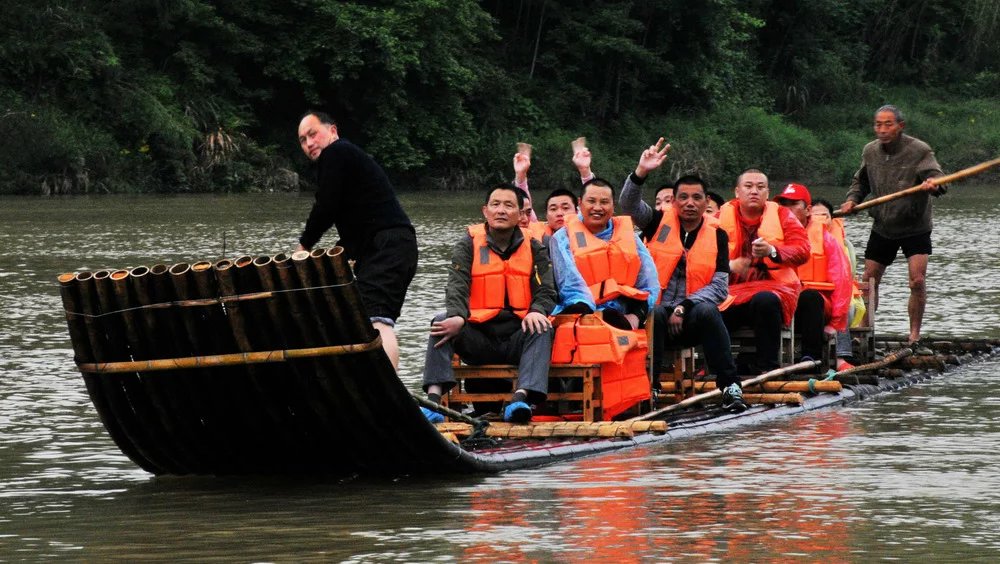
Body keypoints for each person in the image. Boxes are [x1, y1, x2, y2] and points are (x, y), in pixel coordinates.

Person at [618, 139, 747, 412]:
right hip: (655, 319)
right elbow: (628, 204)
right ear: (674, 202)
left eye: (697, 198)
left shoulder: (718, 235)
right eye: (683, 198)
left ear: (706, 202)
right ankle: (649, 389)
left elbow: (720, 286)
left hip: (692, 319)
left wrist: (684, 306)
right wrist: (641, 172)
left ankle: (730, 386)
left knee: (709, 311)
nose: (690, 203)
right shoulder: (655, 222)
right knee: (658, 313)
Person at [421, 184, 557, 424]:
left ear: (520, 214)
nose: (501, 210)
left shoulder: (535, 246)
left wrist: (537, 311)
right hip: (479, 336)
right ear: (485, 211)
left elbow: (546, 288)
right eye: (495, 205)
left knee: (543, 326)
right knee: (441, 321)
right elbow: (457, 284)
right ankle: (433, 401)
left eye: (509, 205)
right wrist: (457, 315)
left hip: (518, 335)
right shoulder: (468, 243)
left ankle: (520, 399)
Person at [295, 111, 418, 371]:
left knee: (377, 321)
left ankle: (390, 396)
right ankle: (376, 390)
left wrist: (304, 245)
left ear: (332, 130)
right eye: (303, 140)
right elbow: (355, 217)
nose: (309, 143)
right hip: (386, 246)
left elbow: (326, 206)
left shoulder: (337, 152)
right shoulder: (346, 160)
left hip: (389, 246)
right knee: (364, 318)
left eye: (313, 133)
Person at [839, 104, 944, 349]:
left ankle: (914, 336)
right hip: (883, 225)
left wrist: (933, 184)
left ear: (900, 126)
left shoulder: (919, 150)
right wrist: (852, 200)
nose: (882, 129)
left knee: (917, 281)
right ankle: (862, 333)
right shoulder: (870, 151)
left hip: (915, 226)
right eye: (878, 124)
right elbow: (860, 182)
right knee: (868, 281)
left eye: (888, 124)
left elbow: (938, 178)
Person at [718, 169, 810, 373]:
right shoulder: (718, 217)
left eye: (760, 187)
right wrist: (728, 265)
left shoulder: (783, 215)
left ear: (767, 193)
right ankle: (719, 370)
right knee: (707, 308)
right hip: (730, 292)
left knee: (765, 300)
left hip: (774, 290)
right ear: (737, 192)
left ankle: (768, 370)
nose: (754, 192)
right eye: (748, 186)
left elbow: (803, 250)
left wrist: (772, 250)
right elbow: (700, 257)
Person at [549, 178, 660, 329]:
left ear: (613, 206)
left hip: (625, 311)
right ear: (580, 204)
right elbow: (570, 286)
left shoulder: (630, 237)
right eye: (591, 201)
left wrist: (636, 315)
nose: (597, 207)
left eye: (604, 202)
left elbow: (649, 284)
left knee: (648, 311)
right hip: (581, 309)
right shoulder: (562, 238)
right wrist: (594, 314)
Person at [774, 184, 852, 368]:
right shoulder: (771, 233)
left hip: (814, 305)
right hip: (782, 300)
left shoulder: (826, 238)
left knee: (810, 297)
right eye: (784, 204)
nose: (788, 210)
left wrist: (835, 322)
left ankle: (810, 358)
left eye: (794, 204)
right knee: (765, 300)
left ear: (808, 210)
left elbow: (842, 281)